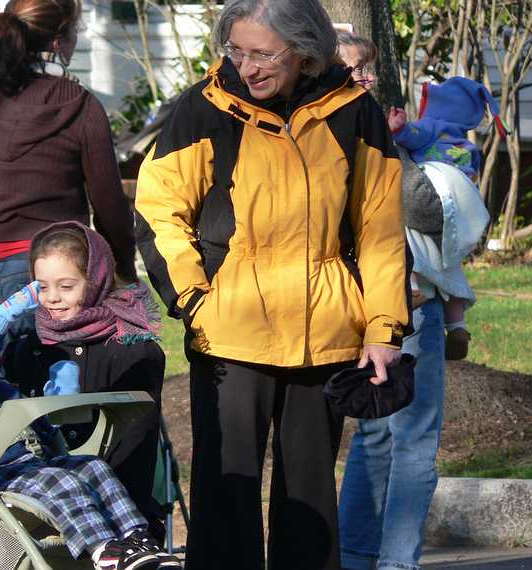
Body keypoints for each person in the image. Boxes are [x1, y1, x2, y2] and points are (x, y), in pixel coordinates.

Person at [134, 0, 410, 568]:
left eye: (263, 53)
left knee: (310, 501)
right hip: (228, 336)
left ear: (305, 53)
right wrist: (194, 300)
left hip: (328, 334)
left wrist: (384, 330)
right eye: (236, 51)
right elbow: (159, 211)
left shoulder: (356, 111)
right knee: (223, 498)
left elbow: (382, 231)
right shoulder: (200, 108)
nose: (247, 66)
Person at [0, 284, 181, 570]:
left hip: (31, 463)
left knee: (93, 467)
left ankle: (137, 540)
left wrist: (49, 412)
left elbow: (19, 417)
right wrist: (1, 316)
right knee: (62, 481)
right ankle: (104, 549)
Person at [335, 36, 451, 570]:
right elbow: (426, 211)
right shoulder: (368, 133)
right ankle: (396, 563)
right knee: (412, 443)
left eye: (369, 71)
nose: (367, 81)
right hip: (401, 299)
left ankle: (357, 559)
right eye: (356, 70)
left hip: (349, 304)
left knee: (375, 438)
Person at [0, 0, 137, 326]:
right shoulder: (78, 104)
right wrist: (124, 269)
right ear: (58, 40)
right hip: (50, 272)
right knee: (55, 376)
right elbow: (108, 204)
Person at [3, 221, 166, 537]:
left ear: (95, 281)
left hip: (117, 506)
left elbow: (134, 442)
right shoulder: (29, 346)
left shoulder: (131, 350)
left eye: (66, 287)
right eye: (42, 286)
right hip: (43, 502)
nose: (52, 298)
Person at [387, 77, 505, 360]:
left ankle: (413, 288)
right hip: (459, 201)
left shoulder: (433, 126)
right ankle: (458, 327)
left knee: (407, 237)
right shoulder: (466, 143)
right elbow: (472, 174)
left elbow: (412, 136)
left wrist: (398, 129)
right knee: (450, 266)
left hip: (435, 188)